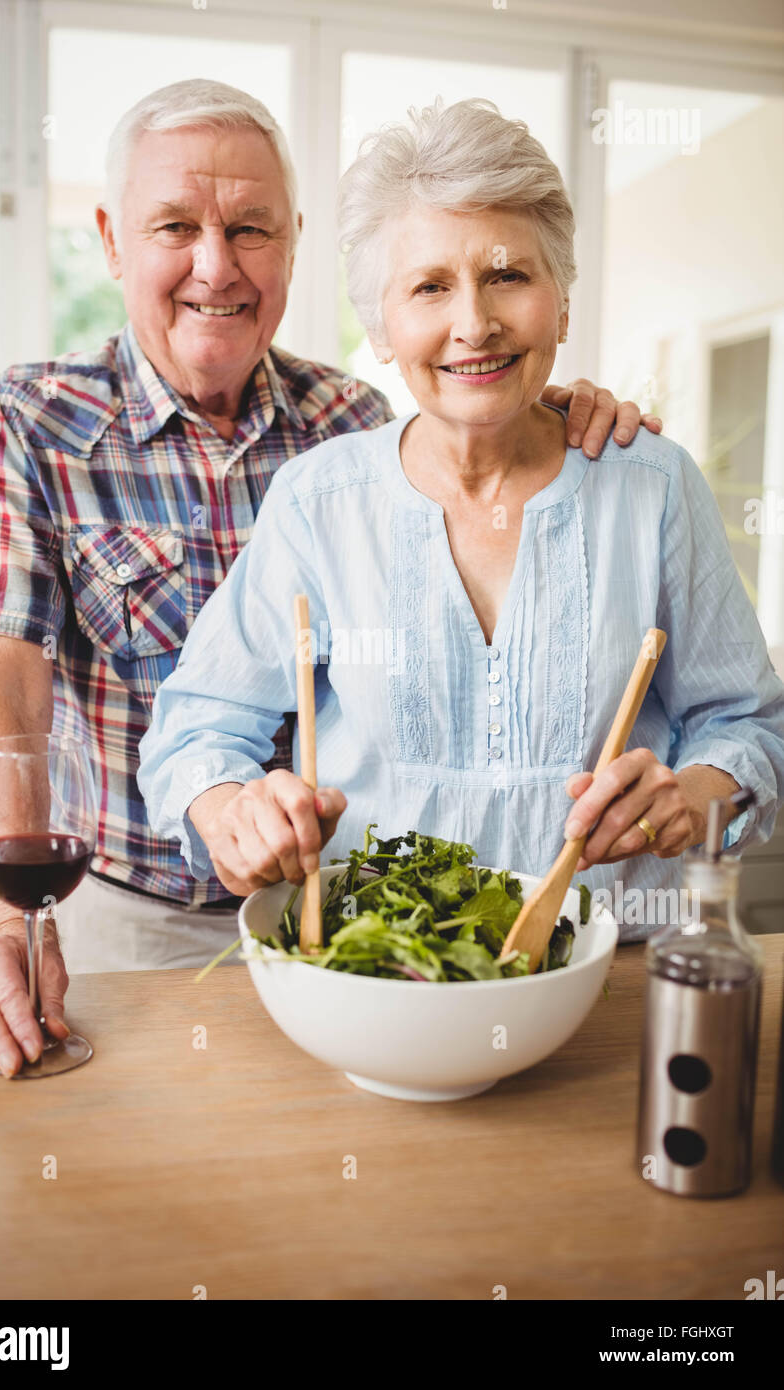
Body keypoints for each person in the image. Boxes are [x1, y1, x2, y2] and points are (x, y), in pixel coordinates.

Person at [0, 81, 655, 1078]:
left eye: (251, 228)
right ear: (109, 238)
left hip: (345, 920)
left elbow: (482, 406)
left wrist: (549, 409)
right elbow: (4, 701)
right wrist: (10, 926)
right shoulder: (28, 420)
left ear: (296, 242)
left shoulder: (355, 421)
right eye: (174, 225)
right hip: (134, 924)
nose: (215, 265)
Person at [138, 97, 784, 947]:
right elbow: (196, 730)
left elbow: (750, 722)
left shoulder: (653, 487)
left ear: (560, 301)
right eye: (430, 287)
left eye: (509, 275)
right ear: (380, 326)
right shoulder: (318, 502)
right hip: (379, 976)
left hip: (613, 981)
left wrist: (701, 792)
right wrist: (232, 811)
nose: (474, 323)